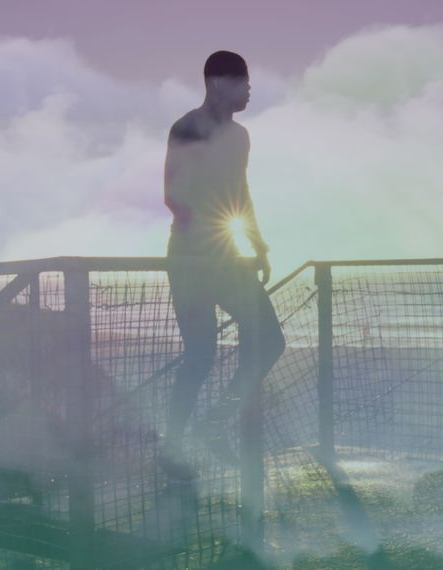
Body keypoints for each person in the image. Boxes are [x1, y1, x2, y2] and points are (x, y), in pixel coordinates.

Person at [161, 50, 285, 480]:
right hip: (190, 257)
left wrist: (257, 243)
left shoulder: (240, 136)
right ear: (217, 83)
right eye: (242, 82)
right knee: (200, 356)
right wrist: (202, 242)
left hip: (226, 256)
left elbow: (240, 193)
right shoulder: (187, 128)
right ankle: (172, 450)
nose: (249, 90)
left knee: (269, 340)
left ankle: (213, 424)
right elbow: (172, 196)